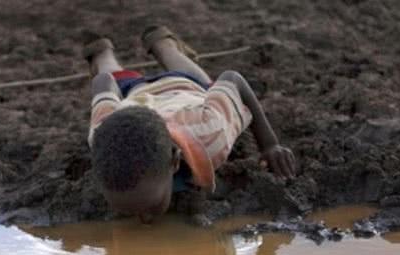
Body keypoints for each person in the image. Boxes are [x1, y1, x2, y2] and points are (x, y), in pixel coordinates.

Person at [84, 26, 296, 223]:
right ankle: (102, 53)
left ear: (175, 161)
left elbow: (233, 79)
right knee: (110, 73)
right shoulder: (101, 135)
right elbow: (102, 81)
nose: (145, 220)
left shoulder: (211, 134)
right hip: (137, 96)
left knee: (203, 84)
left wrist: (269, 145)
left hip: (184, 89)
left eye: (151, 207)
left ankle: (163, 45)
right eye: (126, 211)